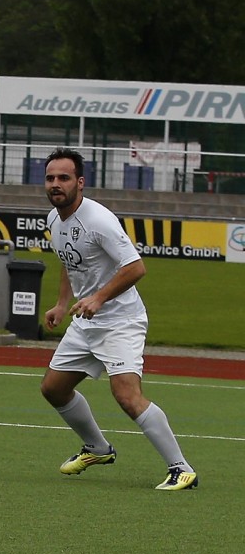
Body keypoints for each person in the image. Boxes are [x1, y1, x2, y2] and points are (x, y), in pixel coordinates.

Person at [39, 148, 198, 490]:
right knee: (53, 388)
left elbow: (136, 267)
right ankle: (97, 448)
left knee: (127, 396)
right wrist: (61, 302)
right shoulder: (54, 219)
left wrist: (98, 297)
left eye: (64, 178)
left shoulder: (99, 220)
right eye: (51, 178)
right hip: (86, 320)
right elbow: (69, 261)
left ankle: (181, 468)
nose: (56, 184)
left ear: (79, 183)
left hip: (120, 320)